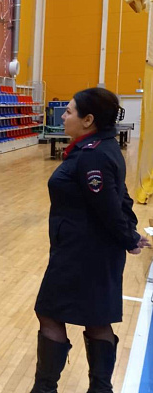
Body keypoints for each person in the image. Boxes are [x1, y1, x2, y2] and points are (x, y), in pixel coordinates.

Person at [30, 88, 149, 393]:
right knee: (96, 319)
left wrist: (129, 236)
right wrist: (128, 233)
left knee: (50, 312)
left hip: (82, 253)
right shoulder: (102, 146)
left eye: (69, 111)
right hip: (92, 251)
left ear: (88, 120)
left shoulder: (92, 155)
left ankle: (45, 389)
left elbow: (108, 206)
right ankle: (100, 389)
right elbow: (121, 197)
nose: (63, 116)